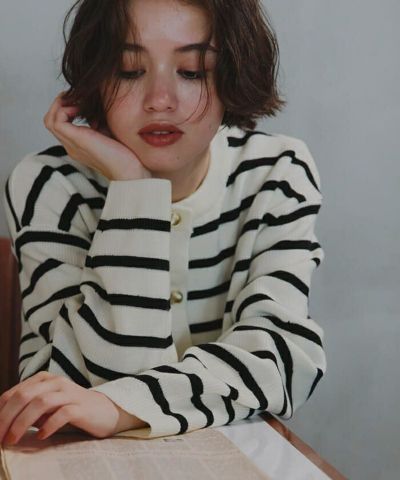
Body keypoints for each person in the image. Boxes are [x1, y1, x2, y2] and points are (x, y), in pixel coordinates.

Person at [0, 0, 326, 445]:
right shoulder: (48, 184)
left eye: (192, 72)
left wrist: (120, 407)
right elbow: (61, 390)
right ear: (97, 78)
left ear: (232, 76)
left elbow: (279, 361)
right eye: (129, 71)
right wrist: (134, 189)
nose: (159, 100)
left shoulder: (276, 172)